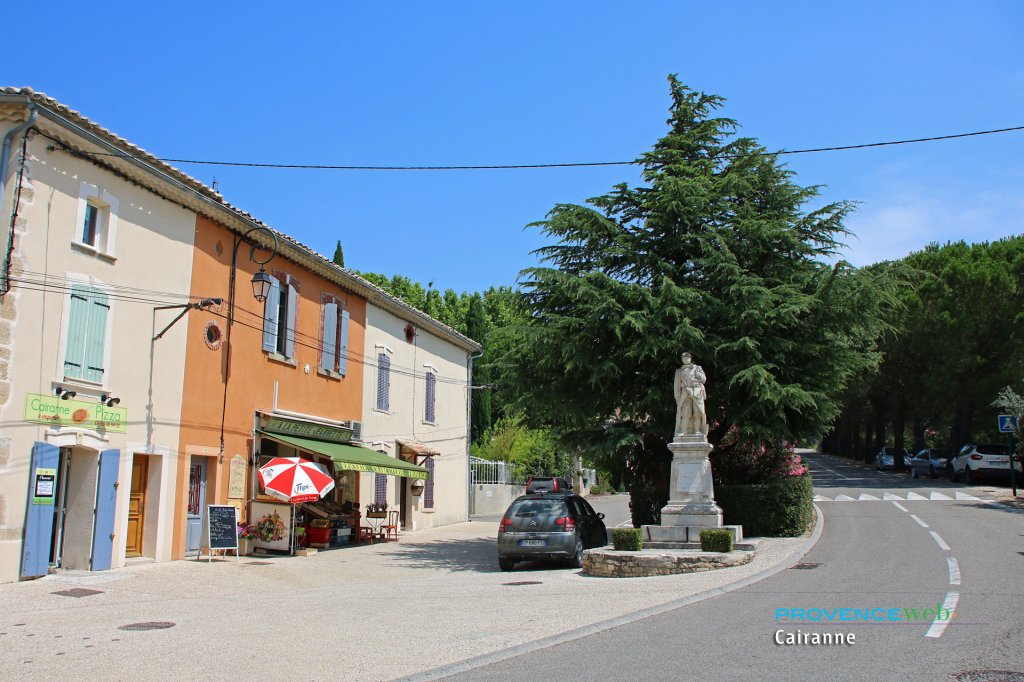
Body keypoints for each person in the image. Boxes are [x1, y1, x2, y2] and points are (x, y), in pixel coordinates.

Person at [674, 352, 707, 436]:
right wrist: (677, 397)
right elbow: (677, 386)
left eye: (688, 358)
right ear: (682, 360)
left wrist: (697, 373)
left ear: (690, 358)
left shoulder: (697, 368)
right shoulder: (679, 371)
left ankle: (697, 431)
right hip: (685, 392)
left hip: (696, 391)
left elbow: (704, 379)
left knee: (698, 412)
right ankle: (683, 431)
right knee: (685, 412)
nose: (686, 359)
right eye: (684, 358)